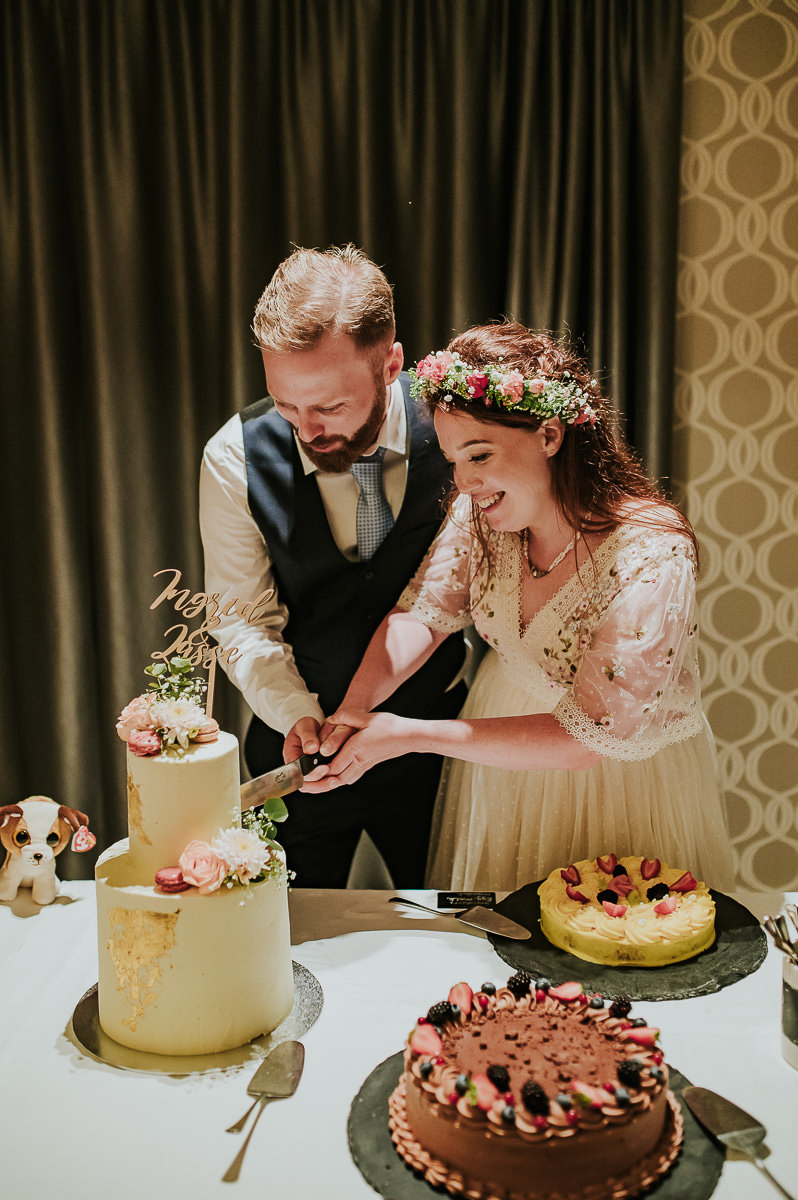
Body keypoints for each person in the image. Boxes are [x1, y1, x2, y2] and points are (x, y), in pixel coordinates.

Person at [307, 321, 737, 892]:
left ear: (551, 436)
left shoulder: (652, 553)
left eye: (479, 455)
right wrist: (353, 711)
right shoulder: (483, 520)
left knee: (621, 946)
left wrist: (411, 734)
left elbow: (588, 740)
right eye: (455, 461)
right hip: (502, 765)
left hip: (621, 779)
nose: (465, 483)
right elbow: (422, 615)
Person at [199, 244, 467, 887]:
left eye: (330, 406)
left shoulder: (462, 434)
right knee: (291, 950)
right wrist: (297, 713)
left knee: (455, 943)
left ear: (391, 362)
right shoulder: (235, 457)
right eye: (287, 406)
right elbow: (241, 622)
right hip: (297, 750)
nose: (307, 431)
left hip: (438, 743)